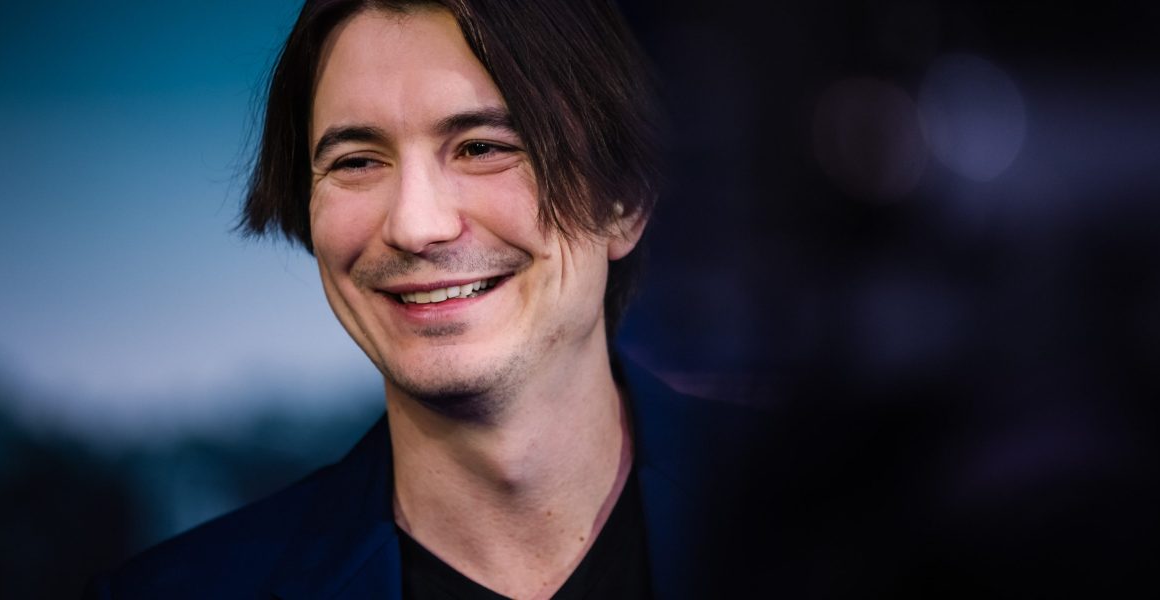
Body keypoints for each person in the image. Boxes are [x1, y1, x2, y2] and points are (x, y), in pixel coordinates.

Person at [86, 1, 764, 598]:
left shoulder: (818, 519)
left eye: (482, 147)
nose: (415, 225)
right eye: (356, 162)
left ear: (623, 202)